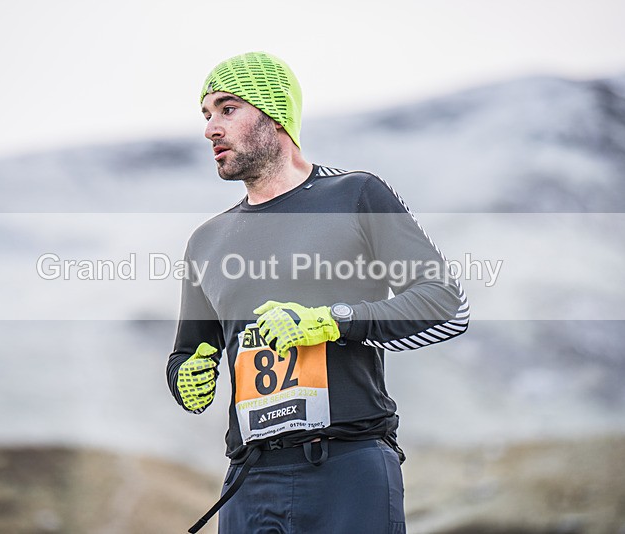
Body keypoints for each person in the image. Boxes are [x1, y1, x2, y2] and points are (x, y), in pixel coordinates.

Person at [166, 51, 469, 534]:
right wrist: (185, 377)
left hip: (348, 467)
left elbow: (446, 304)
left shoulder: (355, 195)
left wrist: (333, 321)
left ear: (275, 113)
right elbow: (186, 353)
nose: (210, 130)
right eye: (206, 116)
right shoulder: (205, 242)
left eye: (227, 109)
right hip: (248, 479)